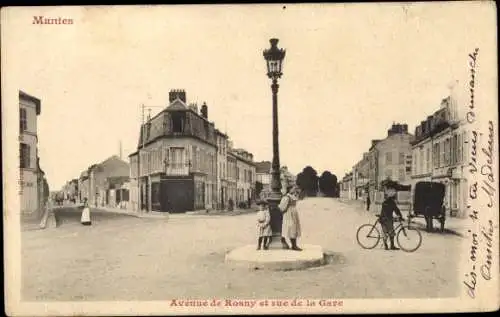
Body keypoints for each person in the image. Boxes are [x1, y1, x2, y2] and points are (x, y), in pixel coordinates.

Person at [279, 185, 302, 251]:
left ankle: (293, 245)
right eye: (292, 189)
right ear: (289, 189)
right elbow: (281, 207)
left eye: (294, 189)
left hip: (293, 213)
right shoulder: (287, 197)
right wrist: (285, 210)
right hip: (289, 214)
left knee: (294, 228)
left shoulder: (293, 196)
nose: (294, 190)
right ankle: (292, 245)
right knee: (291, 228)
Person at [380, 185, 403, 250]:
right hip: (385, 219)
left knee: (388, 232)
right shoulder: (390, 203)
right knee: (388, 232)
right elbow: (396, 210)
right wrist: (400, 216)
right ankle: (389, 245)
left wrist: (399, 216)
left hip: (385, 219)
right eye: (394, 197)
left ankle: (389, 245)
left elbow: (396, 210)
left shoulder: (386, 202)